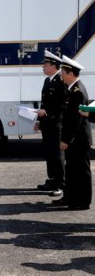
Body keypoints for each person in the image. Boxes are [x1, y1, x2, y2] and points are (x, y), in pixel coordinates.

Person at [52, 55, 92, 210]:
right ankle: (70, 198)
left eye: (63, 72)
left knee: (81, 172)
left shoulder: (78, 91)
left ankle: (82, 202)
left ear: (70, 73)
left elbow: (76, 120)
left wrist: (66, 140)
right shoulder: (71, 89)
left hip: (79, 140)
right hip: (75, 139)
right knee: (72, 170)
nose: (61, 74)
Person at [34, 50, 67, 196]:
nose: (43, 67)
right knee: (49, 153)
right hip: (47, 124)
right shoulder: (48, 80)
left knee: (57, 155)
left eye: (45, 65)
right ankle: (52, 179)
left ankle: (61, 183)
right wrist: (40, 121)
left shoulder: (61, 81)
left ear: (54, 66)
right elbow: (44, 103)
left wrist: (47, 113)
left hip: (57, 125)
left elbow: (62, 105)